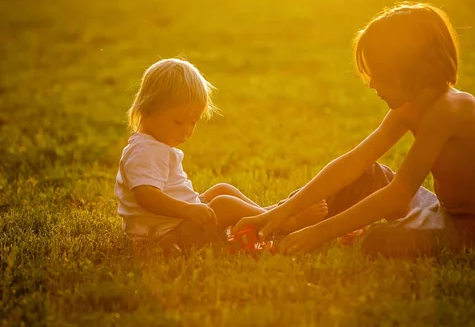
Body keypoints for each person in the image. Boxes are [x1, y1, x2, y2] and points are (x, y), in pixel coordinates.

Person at [235, 2, 475, 258]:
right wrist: (281, 210)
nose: (373, 85)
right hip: (441, 210)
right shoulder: (411, 106)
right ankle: (281, 220)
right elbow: (355, 162)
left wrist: (321, 233)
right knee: (367, 174)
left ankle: (311, 229)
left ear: (414, 70)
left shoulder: (449, 110)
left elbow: (399, 194)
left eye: (381, 76)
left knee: (379, 241)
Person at [114, 58, 327, 252]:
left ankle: (270, 213)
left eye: (193, 123)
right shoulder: (145, 151)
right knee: (224, 204)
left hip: (174, 224)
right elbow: (146, 195)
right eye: (178, 122)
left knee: (221, 190)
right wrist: (188, 210)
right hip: (165, 236)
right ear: (148, 109)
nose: (186, 132)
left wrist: (191, 207)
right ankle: (285, 223)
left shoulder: (152, 145)